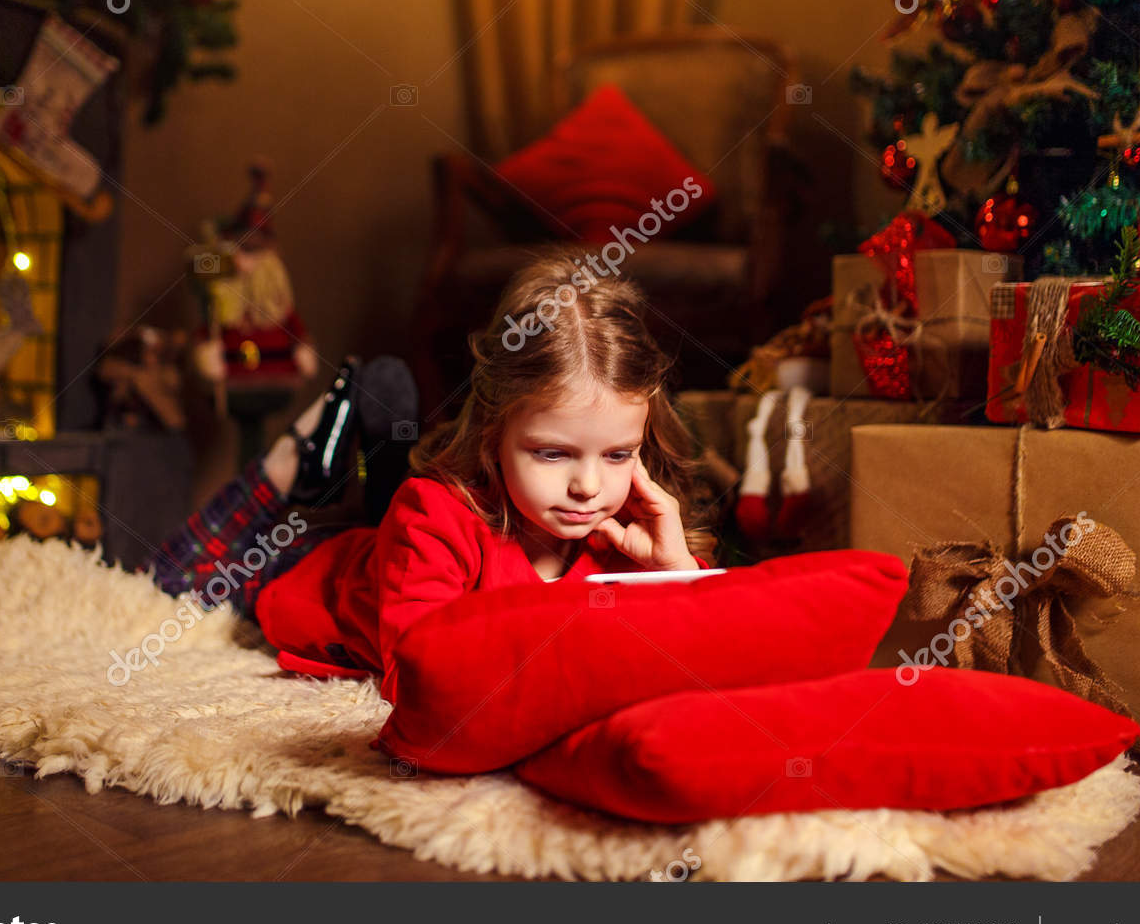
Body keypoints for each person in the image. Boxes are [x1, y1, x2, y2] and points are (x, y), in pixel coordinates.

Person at [147, 248, 715, 703]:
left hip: (404, 548)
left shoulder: (628, 534)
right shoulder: (432, 515)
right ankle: (293, 463)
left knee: (397, 514)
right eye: (551, 454)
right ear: (493, 432)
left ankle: (377, 450)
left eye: (617, 455)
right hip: (319, 572)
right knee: (174, 574)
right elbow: (420, 681)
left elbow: (707, 662)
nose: (588, 487)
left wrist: (677, 574)